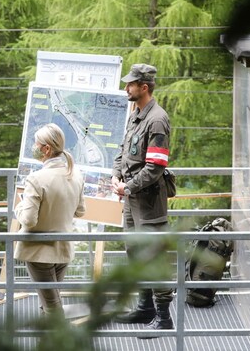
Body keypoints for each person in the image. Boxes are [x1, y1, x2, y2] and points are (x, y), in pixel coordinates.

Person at [111, 63, 173, 335]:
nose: (126, 88)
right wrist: (115, 177)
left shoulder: (157, 119)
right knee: (135, 254)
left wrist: (128, 187)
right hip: (131, 201)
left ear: (144, 87)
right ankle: (145, 307)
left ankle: (164, 317)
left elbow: (156, 166)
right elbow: (122, 151)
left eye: (130, 84)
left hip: (148, 203)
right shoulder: (135, 114)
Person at [14, 124, 85, 317]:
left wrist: (19, 207)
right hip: (63, 248)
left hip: (39, 252)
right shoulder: (76, 176)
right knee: (50, 303)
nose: (34, 147)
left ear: (46, 149)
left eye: (36, 144)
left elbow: (28, 220)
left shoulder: (36, 179)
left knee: (52, 307)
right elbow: (80, 211)